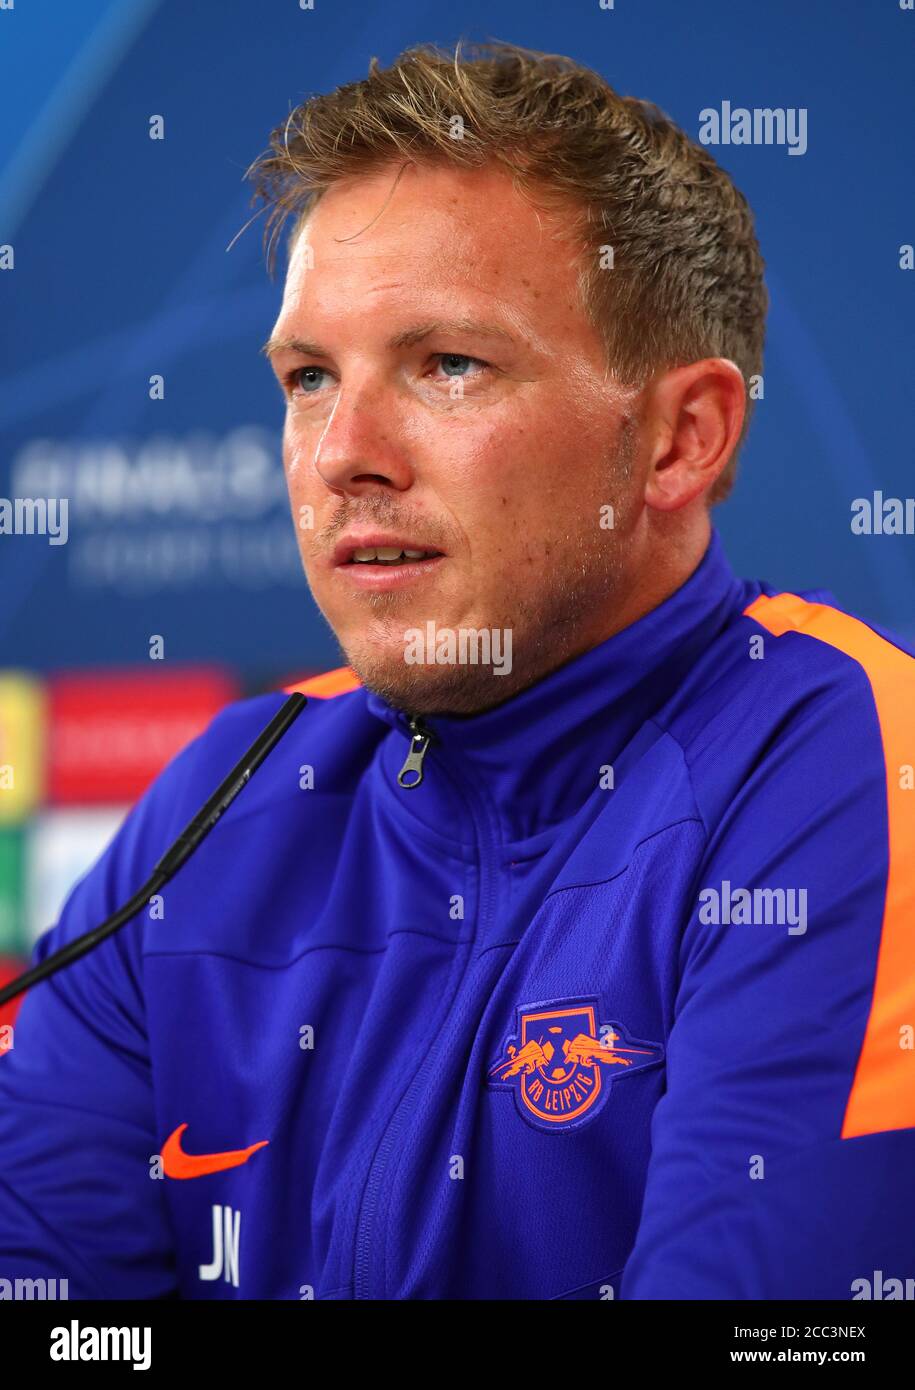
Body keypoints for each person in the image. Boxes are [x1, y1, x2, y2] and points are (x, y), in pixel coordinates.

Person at [1, 40, 912, 1301]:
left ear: (678, 439)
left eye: (448, 366)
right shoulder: (217, 807)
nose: (342, 455)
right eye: (310, 378)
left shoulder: (851, 756)